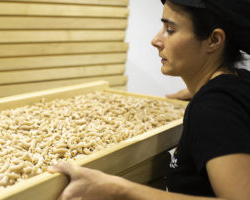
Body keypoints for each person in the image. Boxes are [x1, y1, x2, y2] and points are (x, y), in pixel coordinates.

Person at [49, 0, 250, 199]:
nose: (156, 40)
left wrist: (119, 189)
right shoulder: (236, 81)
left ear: (214, 40)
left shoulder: (215, 108)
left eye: (170, 30)